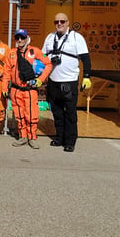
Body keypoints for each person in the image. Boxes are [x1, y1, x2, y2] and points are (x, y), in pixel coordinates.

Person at [42, 13, 92, 152]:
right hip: (53, 82)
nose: (59, 24)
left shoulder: (76, 37)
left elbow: (86, 59)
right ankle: (59, 138)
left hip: (69, 82)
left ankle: (70, 141)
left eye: (62, 21)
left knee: (70, 113)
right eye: (56, 21)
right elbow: (43, 56)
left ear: (68, 22)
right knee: (56, 112)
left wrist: (87, 76)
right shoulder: (50, 37)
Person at [2, 29, 52, 149]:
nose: (20, 40)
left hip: (30, 90)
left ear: (26, 38)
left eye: (22, 38)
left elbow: (48, 64)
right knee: (19, 115)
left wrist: (41, 79)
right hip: (16, 90)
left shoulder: (34, 51)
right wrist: (4, 87)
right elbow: (6, 72)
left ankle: (32, 137)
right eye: (17, 38)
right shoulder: (11, 53)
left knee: (31, 115)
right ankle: (22, 136)